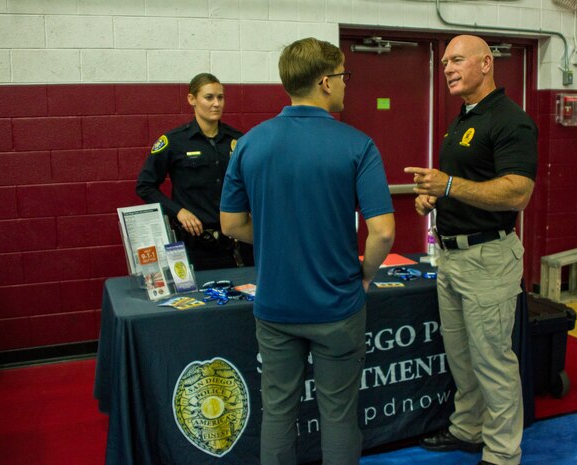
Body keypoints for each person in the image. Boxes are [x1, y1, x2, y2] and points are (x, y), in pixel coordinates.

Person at [219, 37, 395, 465]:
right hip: (337, 305)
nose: (346, 85)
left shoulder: (250, 143)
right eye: (343, 76)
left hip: (277, 305)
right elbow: (383, 233)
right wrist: (367, 274)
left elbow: (231, 224)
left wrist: (282, 237)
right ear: (324, 82)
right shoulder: (357, 145)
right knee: (338, 414)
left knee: (277, 412)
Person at [404, 35, 538, 465]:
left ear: (486, 63)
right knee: (461, 356)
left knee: (493, 361)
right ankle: (468, 428)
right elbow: (466, 184)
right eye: (444, 62)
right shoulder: (462, 119)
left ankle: (502, 452)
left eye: (456, 60)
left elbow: (518, 192)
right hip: (452, 257)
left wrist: (448, 185)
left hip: (488, 258)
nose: (447, 68)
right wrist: (435, 197)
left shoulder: (510, 120)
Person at [136, 73, 253, 270]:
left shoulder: (238, 141)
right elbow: (145, 186)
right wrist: (178, 212)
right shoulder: (174, 142)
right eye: (209, 97)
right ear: (192, 99)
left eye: (220, 97)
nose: (216, 103)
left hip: (236, 244)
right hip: (195, 247)